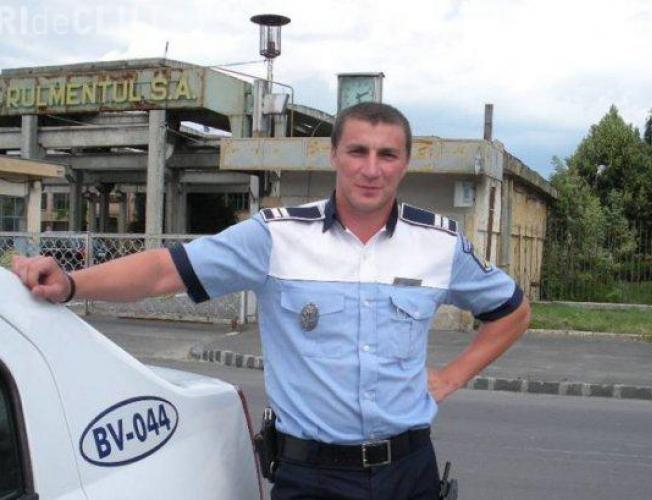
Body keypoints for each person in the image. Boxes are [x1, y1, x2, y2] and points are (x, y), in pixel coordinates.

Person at [13, 102, 530, 500]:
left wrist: (449, 378)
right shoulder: (275, 236)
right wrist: (72, 283)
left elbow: (512, 312)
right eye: (358, 151)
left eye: (387, 154)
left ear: (405, 163)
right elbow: (164, 270)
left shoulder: (438, 243)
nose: (371, 169)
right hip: (312, 477)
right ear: (333, 155)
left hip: (408, 474)